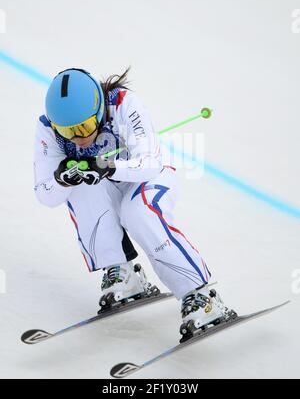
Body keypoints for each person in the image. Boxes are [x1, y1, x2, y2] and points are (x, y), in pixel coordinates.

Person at [34, 67, 227, 336]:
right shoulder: (47, 128)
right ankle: (125, 274)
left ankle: (201, 295)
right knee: (78, 189)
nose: (79, 137)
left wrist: (108, 167)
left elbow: (150, 163)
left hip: (149, 177)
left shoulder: (123, 104)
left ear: (99, 109)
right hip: (106, 183)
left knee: (137, 212)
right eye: (67, 131)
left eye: (85, 126)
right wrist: (61, 179)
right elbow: (45, 194)